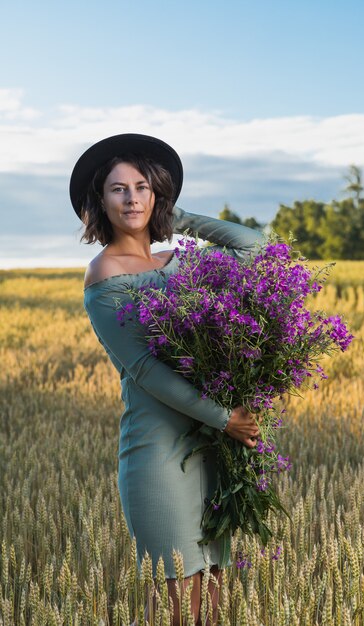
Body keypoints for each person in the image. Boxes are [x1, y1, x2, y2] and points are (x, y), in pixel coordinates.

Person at [69, 133, 264, 625]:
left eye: (141, 187)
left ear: (157, 194)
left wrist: (174, 218)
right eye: (118, 189)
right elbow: (143, 371)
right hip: (159, 452)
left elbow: (255, 248)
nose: (131, 198)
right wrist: (226, 419)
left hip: (212, 449)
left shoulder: (180, 264)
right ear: (100, 201)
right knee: (177, 608)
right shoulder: (105, 273)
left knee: (212, 605)